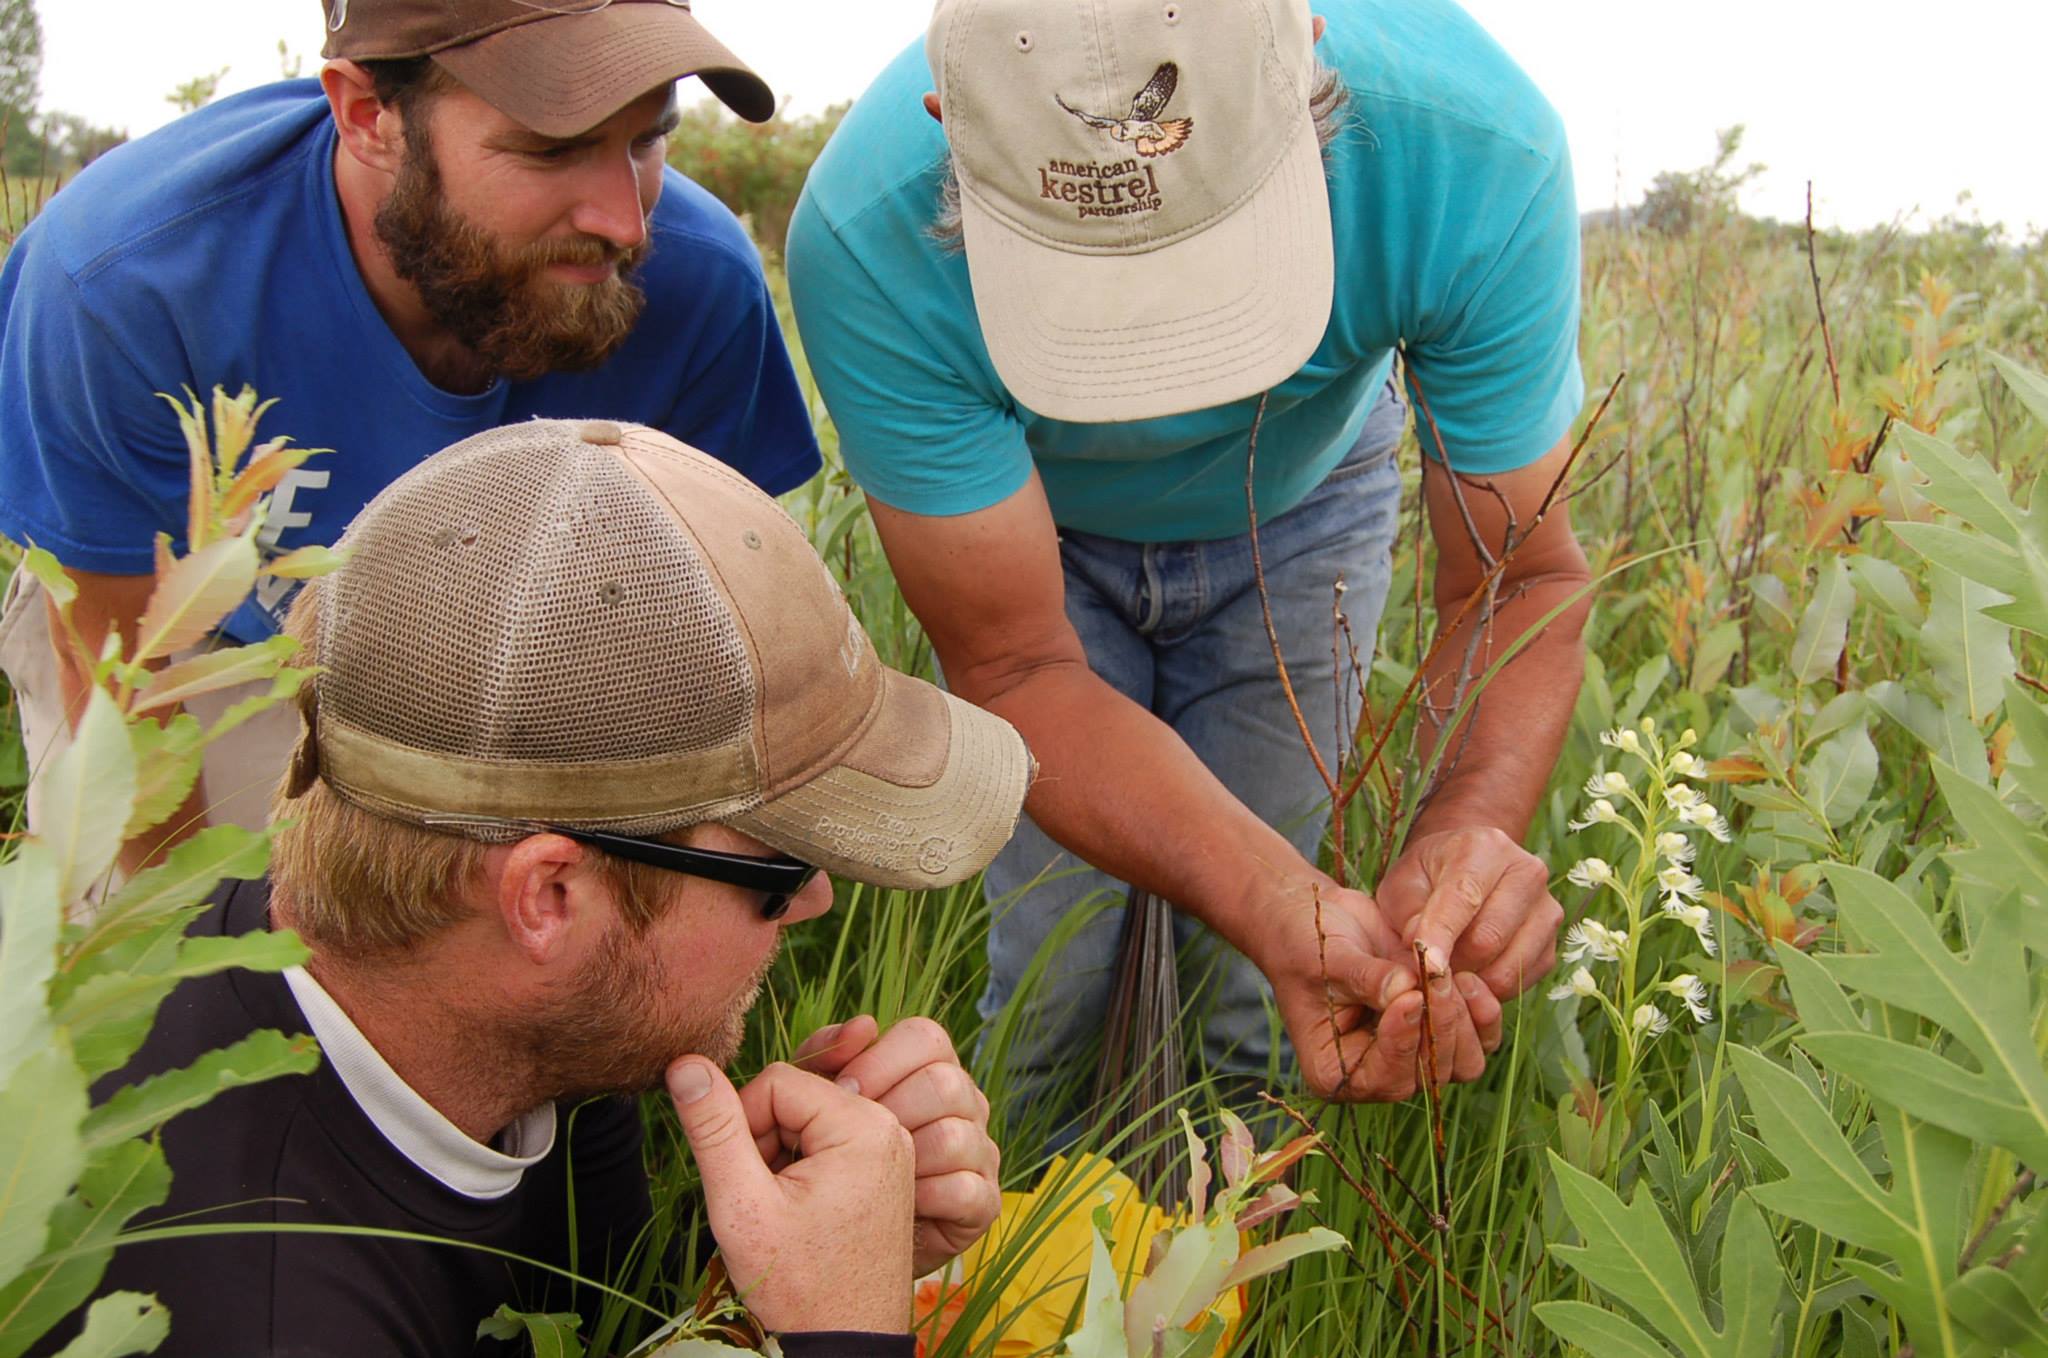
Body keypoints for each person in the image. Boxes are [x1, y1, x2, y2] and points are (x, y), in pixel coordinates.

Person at [34, 418, 1035, 1357]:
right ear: (547, 895)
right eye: (775, 869)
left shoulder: (512, 1032)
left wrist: (754, 1271)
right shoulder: (256, 1309)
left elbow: (596, 1323)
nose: (816, 900)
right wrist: (846, 1334)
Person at [785, 0, 1585, 1112]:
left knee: (1256, 993)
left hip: (1302, 504)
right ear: (950, 129)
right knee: (1051, 975)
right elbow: (1016, 664)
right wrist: (1265, 893)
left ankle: (1231, 1245)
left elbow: (1519, 578)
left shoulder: (1467, 149)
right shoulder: (867, 235)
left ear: (1309, 58)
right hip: (1035, 534)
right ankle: (1031, 1236)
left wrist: (1464, 832)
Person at [0, 0, 818, 854]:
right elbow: (117, 675)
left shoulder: (699, 282)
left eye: (647, 139)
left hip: (523, 657)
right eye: (551, 148)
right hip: (203, 642)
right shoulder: (125, 281)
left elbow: (719, 646)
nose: (624, 223)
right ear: (367, 116)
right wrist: (182, 952)